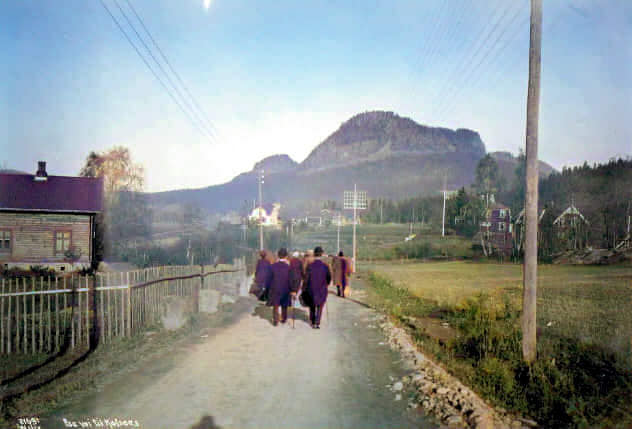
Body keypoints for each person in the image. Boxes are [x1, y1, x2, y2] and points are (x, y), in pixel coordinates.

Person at [265, 248, 297, 326]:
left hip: (275, 288)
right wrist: (293, 290)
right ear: (286, 256)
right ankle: (283, 318)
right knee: (284, 304)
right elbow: (291, 279)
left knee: (275, 305)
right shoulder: (289, 267)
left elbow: (268, 278)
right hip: (285, 288)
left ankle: (275, 320)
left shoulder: (272, 266)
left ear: (278, 256)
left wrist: (268, 287)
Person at [304, 246, 331, 329]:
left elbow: (306, 279)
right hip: (322, 288)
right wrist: (327, 284)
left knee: (312, 305)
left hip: (311, 289)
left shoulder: (310, 266)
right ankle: (317, 322)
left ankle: (312, 321)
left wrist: (304, 288)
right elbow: (329, 278)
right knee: (320, 305)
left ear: (314, 254)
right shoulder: (325, 266)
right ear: (322, 254)